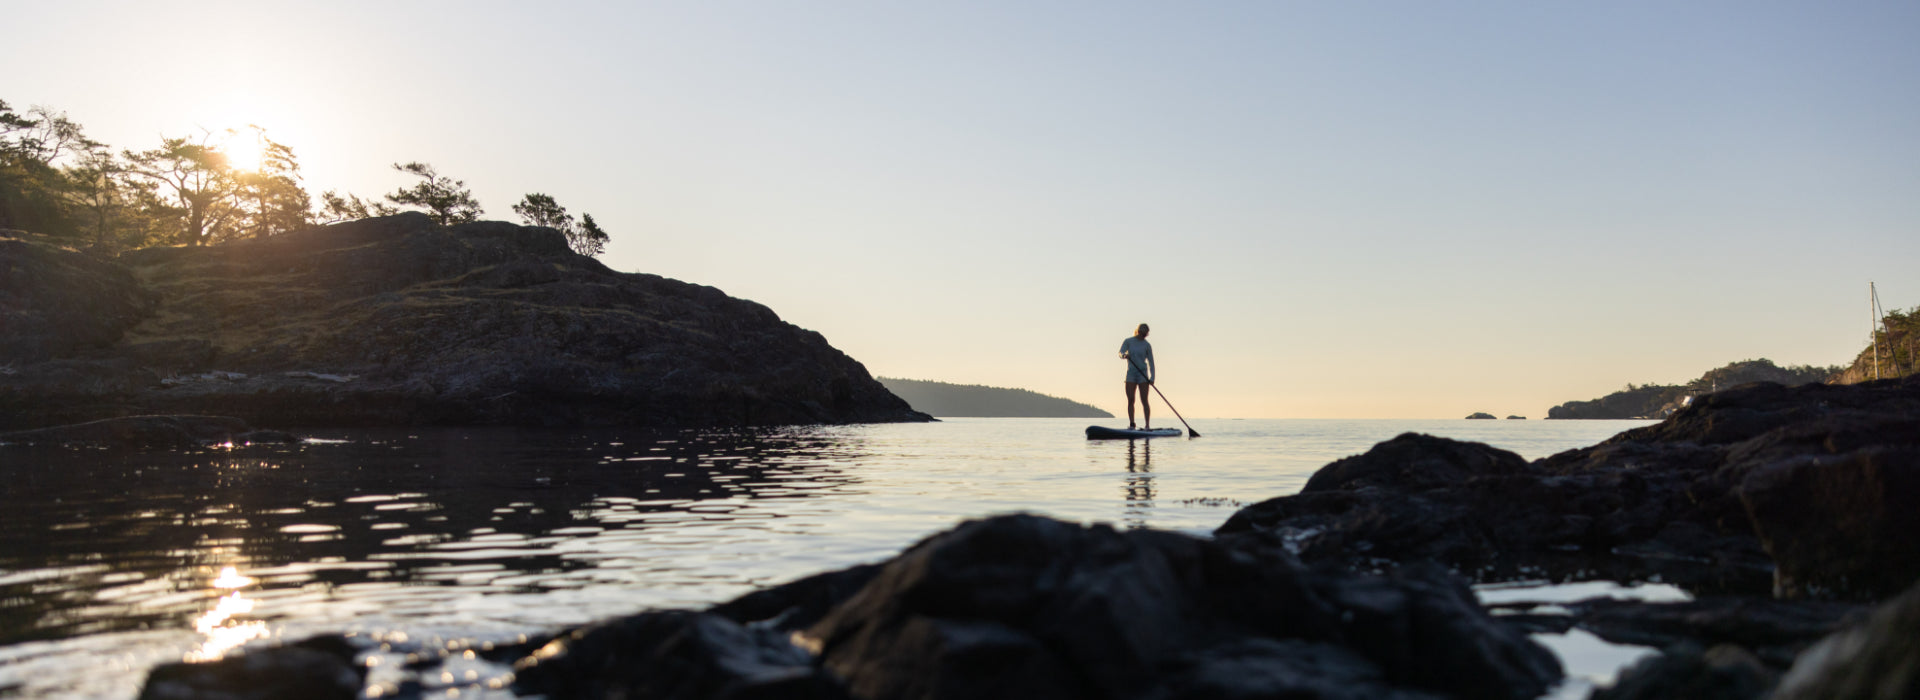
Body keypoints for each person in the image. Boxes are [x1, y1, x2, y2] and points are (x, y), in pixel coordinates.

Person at [1119, 323, 1154, 429]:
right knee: (1131, 400)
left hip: (1142, 374)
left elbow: (1151, 362)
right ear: (1138, 331)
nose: (1143, 335)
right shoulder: (1128, 341)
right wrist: (1124, 355)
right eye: (1142, 333)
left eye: (1145, 334)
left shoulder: (1147, 345)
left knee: (1144, 400)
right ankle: (1132, 423)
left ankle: (1147, 425)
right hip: (1131, 373)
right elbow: (1120, 352)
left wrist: (1152, 378)